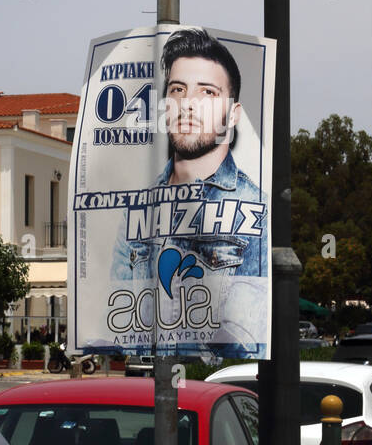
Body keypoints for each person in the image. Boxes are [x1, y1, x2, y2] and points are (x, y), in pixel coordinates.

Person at [111, 27, 268, 357]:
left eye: (207, 93)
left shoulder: (255, 208)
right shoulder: (137, 209)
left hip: (207, 394)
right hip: (147, 399)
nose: (188, 105)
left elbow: (248, 345)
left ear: (233, 113)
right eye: (178, 90)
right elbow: (117, 335)